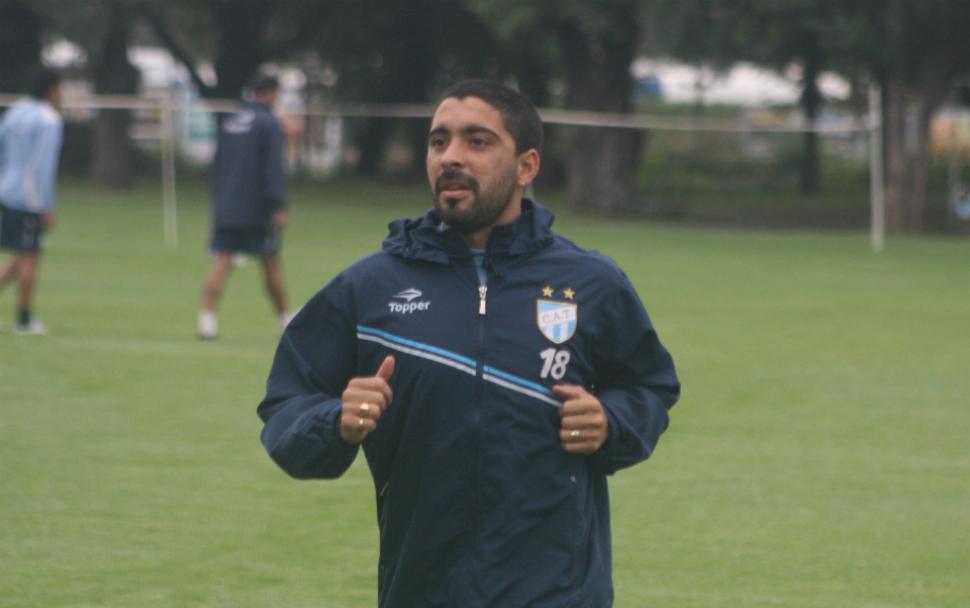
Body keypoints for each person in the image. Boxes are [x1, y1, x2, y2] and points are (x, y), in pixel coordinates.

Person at [257, 80, 680, 607]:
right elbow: (287, 406)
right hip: (424, 592)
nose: (451, 157)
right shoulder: (370, 288)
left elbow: (649, 386)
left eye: (477, 141)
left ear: (526, 166)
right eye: (439, 142)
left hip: (558, 593)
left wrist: (611, 421)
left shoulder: (590, 282)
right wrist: (335, 421)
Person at [197, 74, 291, 339]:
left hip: (227, 205)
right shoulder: (268, 123)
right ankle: (285, 319)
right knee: (271, 262)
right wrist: (277, 205)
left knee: (222, 260)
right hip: (256, 208)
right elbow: (273, 168)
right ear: (271, 93)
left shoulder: (231, 120)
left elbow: (218, 163)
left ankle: (207, 320)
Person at [0, 67, 64, 336]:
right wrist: (44, 206)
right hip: (29, 198)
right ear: (51, 90)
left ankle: (24, 318)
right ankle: (24, 320)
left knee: (21, 256)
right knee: (30, 258)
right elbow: (42, 167)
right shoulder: (49, 119)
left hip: (6, 191)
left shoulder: (16, 112)